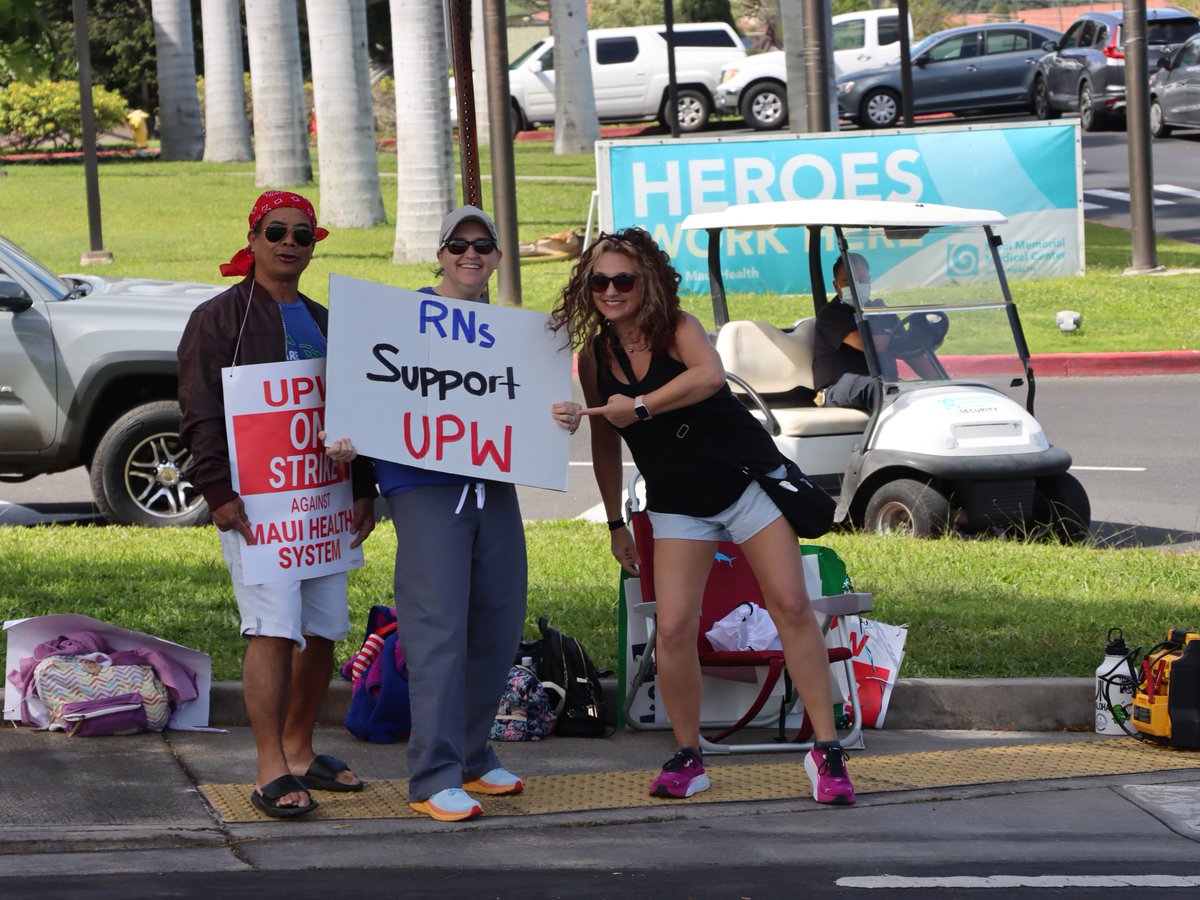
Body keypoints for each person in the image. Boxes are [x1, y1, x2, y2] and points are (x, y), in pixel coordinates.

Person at [548, 227, 856, 806]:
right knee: (672, 627)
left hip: (744, 485)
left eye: (624, 280)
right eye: (599, 281)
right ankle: (688, 755)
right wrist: (616, 523)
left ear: (648, 283)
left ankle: (828, 749)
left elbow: (710, 376)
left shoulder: (678, 329)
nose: (611, 291)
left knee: (791, 605)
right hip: (675, 501)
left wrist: (636, 407)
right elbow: (605, 442)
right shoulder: (595, 357)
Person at [178, 190, 377, 819]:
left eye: (303, 234)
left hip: (324, 504)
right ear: (255, 238)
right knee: (270, 626)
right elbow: (200, 413)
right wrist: (218, 493)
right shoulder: (217, 320)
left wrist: (364, 488)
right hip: (257, 505)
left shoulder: (326, 319)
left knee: (320, 631)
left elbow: (356, 408)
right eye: (276, 232)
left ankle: (299, 748)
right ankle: (269, 768)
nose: (290, 243)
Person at [374, 205, 527, 823]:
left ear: (496, 257)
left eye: (483, 244)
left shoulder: (511, 333)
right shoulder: (403, 318)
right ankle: (432, 775)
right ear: (439, 253)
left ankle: (470, 753)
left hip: (494, 486)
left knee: (497, 620)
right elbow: (371, 389)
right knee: (436, 630)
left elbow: (528, 406)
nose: (471, 253)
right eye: (458, 244)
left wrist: (559, 416)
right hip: (425, 488)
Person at [812, 252, 880, 412]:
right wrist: (898, 339)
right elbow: (865, 343)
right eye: (848, 282)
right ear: (836, 286)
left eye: (862, 281)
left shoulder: (878, 310)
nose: (856, 286)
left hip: (874, 383)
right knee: (878, 389)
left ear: (869, 281)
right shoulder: (831, 314)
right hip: (836, 388)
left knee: (912, 390)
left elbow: (912, 349)